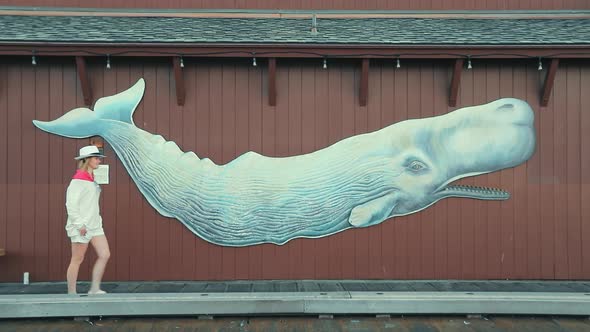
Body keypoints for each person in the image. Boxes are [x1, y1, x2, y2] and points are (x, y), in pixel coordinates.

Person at [65, 145, 110, 295]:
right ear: (87, 160)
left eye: (99, 158)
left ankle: (95, 289)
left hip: (95, 225)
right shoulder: (77, 181)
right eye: (96, 158)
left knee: (104, 254)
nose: (99, 161)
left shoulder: (92, 180)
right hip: (81, 227)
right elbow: (70, 205)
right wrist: (79, 225)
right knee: (77, 259)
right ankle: (71, 294)